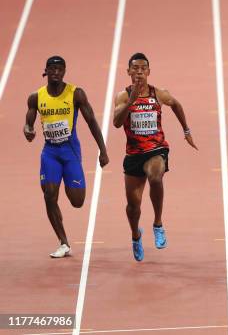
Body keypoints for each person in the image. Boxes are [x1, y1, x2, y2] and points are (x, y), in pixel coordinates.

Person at [113, 53, 197, 261]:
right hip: (134, 154)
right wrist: (131, 101)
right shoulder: (122, 96)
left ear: (148, 72)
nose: (139, 72)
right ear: (129, 72)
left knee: (156, 177)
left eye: (143, 68)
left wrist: (186, 131)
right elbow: (116, 122)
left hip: (156, 149)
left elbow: (176, 104)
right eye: (135, 68)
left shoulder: (158, 94)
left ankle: (158, 223)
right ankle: (135, 235)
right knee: (133, 207)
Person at [24, 56, 109, 258]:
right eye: (52, 69)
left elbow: (91, 122)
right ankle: (63, 242)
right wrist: (28, 130)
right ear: (46, 70)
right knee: (49, 195)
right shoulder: (36, 97)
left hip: (70, 152)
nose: (55, 72)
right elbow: (28, 123)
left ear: (64, 71)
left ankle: (64, 238)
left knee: (77, 201)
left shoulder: (75, 94)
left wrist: (102, 150)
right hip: (50, 152)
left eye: (59, 69)